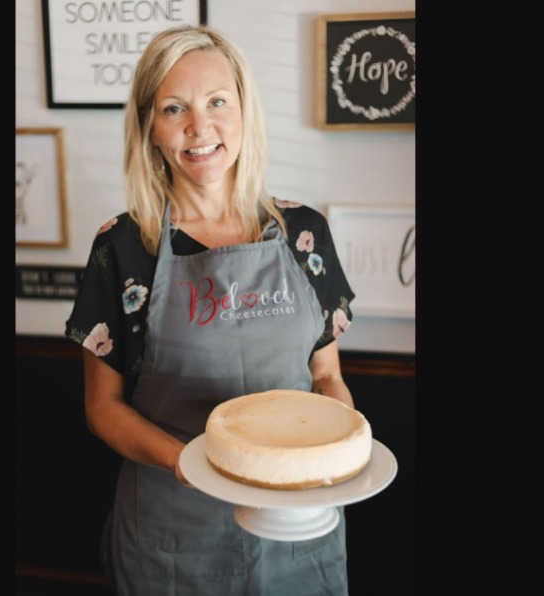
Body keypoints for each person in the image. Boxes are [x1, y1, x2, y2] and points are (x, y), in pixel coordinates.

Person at [64, 24, 357, 596]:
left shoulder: (305, 233)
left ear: (245, 110)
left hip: (298, 526)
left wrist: (339, 458)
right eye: (175, 108)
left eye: (218, 101)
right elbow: (103, 407)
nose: (201, 127)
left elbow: (327, 376)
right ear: (151, 128)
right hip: (174, 534)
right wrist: (191, 464)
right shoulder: (123, 248)